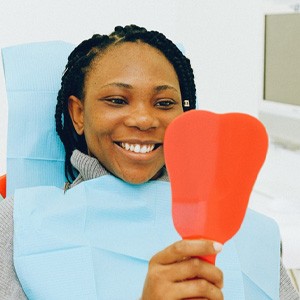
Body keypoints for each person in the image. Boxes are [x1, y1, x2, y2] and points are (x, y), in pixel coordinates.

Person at [0, 24, 299, 300]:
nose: (144, 119)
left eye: (164, 103)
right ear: (78, 114)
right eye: (117, 100)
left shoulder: (254, 234)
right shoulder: (17, 223)